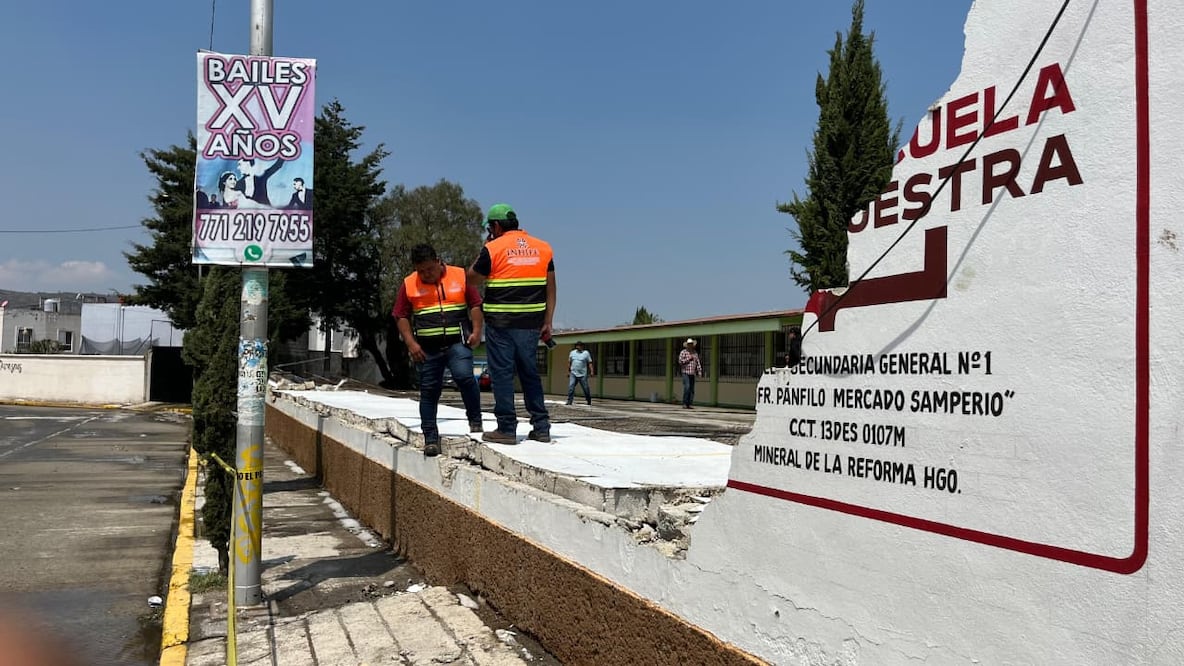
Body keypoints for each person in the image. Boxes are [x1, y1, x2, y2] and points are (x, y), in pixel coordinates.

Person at [467, 203, 555, 444]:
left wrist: (484, 249)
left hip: (501, 323)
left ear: (495, 226)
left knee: (503, 374)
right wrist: (548, 320)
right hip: (531, 323)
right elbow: (551, 287)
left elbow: (471, 279)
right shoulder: (543, 248)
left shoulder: (493, 248)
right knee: (530, 374)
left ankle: (506, 428)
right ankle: (541, 426)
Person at [393, 244, 485, 456]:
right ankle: (431, 438)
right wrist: (411, 344)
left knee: (464, 377)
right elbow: (400, 315)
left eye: (429, 269)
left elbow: (475, 304)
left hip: (457, 343)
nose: (425, 274)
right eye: (421, 271)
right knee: (429, 391)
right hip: (427, 348)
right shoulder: (409, 284)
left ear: (438, 261)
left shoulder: (460, 275)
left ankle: (475, 420)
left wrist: (477, 331)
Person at [678, 338, 704, 409]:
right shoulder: (683, 352)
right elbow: (680, 362)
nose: (690, 346)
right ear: (687, 345)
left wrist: (699, 371)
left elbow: (698, 363)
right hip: (685, 372)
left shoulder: (695, 353)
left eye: (691, 344)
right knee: (687, 387)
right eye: (689, 344)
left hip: (692, 373)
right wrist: (688, 359)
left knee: (692, 389)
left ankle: (690, 403)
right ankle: (684, 403)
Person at [566, 341, 594, 406]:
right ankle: (569, 401)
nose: (578, 347)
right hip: (573, 373)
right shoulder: (572, 352)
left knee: (585, 388)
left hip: (583, 374)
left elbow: (590, 363)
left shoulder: (586, 353)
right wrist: (568, 371)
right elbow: (569, 362)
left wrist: (592, 371)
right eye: (577, 345)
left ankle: (588, 400)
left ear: (582, 346)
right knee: (571, 387)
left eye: (579, 346)